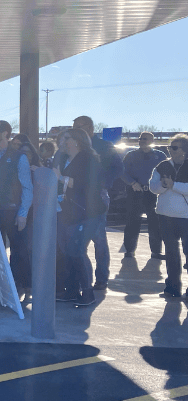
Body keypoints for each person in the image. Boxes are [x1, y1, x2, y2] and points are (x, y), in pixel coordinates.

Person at [0, 120, 33, 297]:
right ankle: (2, 285)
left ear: (5, 134)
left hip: (13, 210)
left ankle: (18, 285)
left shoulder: (19, 157)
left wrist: (23, 213)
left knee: (18, 250)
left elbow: (27, 187)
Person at [54, 128, 105, 307]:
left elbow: (85, 184)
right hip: (70, 213)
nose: (62, 142)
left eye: (66, 139)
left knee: (77, 251)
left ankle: (88, 293)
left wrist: (61, 178)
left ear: (76, 141)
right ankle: (72, 291)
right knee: (68, 252)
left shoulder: (88, 159)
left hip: (87, 214)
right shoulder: (65, 158)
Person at [72, 116, 123, 290]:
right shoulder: (73, 145)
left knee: (99, 238)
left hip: (97, 196)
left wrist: (103, 182)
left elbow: (118, 168)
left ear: (90, 128)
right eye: (74, 127)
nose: (76, 130)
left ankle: (101, 278)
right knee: (78, 240)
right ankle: (82, 278)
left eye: (80, 127)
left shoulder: (103, 146)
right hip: (76, 197)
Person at [149, 133, 188, 298]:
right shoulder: (162, 165)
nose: (170, 150)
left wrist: (174, 185)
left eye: (174, 147)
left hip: (186, 217)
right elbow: (152, 187)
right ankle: (172, 287)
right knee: (171, 253)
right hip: (165, 216)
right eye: (169, 147)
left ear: (184, 150)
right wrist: (164, 186)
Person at [121, 132, 168, 259]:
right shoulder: (131, 155)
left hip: (153, 193)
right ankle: (129, 250)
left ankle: (156, 252)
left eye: (145, 139)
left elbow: (167, 171)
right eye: (140, 139)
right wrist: (132, 183)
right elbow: (122, 172)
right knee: (132, 221)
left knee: (155, 223)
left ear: (152, 141)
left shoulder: (160, 155)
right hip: (135, 191)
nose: (141, 141)